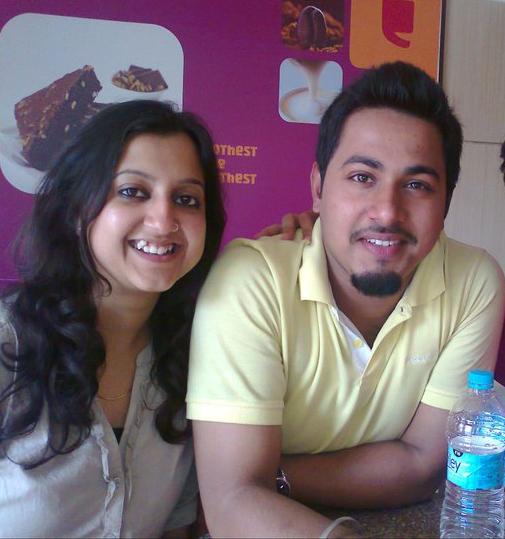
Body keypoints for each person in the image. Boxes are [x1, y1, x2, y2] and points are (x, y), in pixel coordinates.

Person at [186, 61, 505, 538]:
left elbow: (423, 465)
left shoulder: (473, 281)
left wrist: (273, 478)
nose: (387, 211)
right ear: (318, 188)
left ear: (446, 204)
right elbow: (231, 503)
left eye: (417, 185)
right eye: (361, 177)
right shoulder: (253, 281)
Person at [0, 99, 224, 538]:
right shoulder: (10, 342)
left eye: (186, 199)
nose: (164, 220)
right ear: (76, 207)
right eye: (133, 191)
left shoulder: (192, 360)